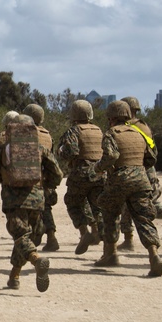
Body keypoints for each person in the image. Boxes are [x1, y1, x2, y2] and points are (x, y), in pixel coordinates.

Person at [0, 113, 62, 291]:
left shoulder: (4, 148)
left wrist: (4, 177)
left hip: (13, 200)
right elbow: (57, 174)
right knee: (29, 237)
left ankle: (36, 260)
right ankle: (14, 276)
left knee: (20, 237)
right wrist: (44, 183)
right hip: (37, 200)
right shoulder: (40, 148)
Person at [93, 100, 162, 277]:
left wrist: (98, 168)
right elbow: (152, 157)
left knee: (109, 211)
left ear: (112, 117)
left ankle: (110, 253)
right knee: (143, 217)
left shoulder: (111, 133)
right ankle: (154, 255)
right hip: (141, 179)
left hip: (120, 178)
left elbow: (111, 155)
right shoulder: (139, 133)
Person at [118, 96, 162, 248]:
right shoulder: (144, 126)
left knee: (128, 204)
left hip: (132, 169)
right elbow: (153, 150)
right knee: (146, 202)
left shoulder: (123, 127)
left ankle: (128, 239)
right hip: (149, 170)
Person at [56, 100, 106, 255]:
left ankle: (84, 233)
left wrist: (60, 151)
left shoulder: (74, 131)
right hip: (100, 173)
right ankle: (100, 235)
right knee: (98, 207)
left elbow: (71, 152)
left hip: (81, 173)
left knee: (73, 203)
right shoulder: (98, 130)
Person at [23, 104, 59, 251]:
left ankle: (32, 238)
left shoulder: (25, 133)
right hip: (46, 177)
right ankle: (51, 237)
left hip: (30, 177)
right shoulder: (47, 135)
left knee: (28, 208)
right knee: (46, 208)